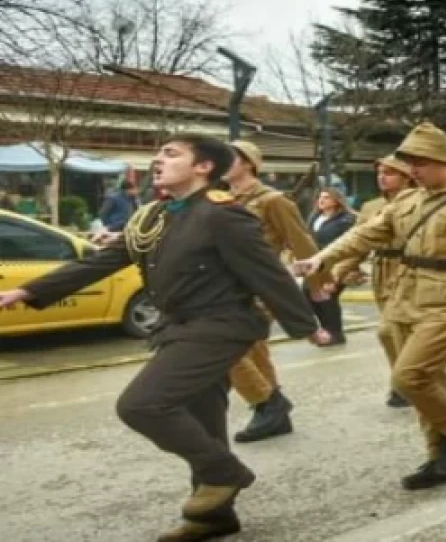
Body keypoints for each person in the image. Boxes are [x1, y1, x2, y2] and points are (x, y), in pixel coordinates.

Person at [0, 134, 323, 541]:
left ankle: (227, 474)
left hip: (219, 327)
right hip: (179, 326)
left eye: (171, 154)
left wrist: (307, 324)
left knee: (141, 405)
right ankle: (214, 518)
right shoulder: (154, 216)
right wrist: (28, 291)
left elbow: (267, 271)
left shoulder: (223, 214)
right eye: (159, 153)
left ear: (204, 167)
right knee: (206, 422)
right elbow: (104, 261)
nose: (158, 160)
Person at [293, 123, 446, 491]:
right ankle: (440, 457)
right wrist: (322, 258)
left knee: (408, 377)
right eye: (410, 162)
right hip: (404, 298)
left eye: (420, 162)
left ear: (444, 160)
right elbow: (365, 234)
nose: (414, 170)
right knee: (428, 381)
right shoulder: (407, 201)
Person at [222, 140, 330, 443]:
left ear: (249, 163)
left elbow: (302, 243)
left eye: (230, 158)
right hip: (228, 286)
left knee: (225, 346)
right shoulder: (221, 199)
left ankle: (267, 404)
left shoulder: (273, 201)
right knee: (253, 350)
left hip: (259, 285)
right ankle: (273, 414)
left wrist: (316, 285)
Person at [332, 156, 417, 407]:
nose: (382, 177)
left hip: (409, 269)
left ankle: (406, 383)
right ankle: (407, 380)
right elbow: (359, 242)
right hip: (381, 269)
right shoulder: (371, 207)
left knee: (390, 331)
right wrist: (338, 272)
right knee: (395, 332)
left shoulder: (420, 202)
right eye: (380, 172)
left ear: (407, 177)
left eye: (390, 173)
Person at [308, 188, 357, 345]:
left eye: (326, 197)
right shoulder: (315, 217)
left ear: (336, 200)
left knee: (328, 299)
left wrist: (349, 268)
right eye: (320, 197)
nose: (321, 200)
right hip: (314, 263)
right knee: (309, 296)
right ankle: (328, 330)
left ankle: (335, 334)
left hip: (335, 263)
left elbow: (351, 244)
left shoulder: (346, 219)